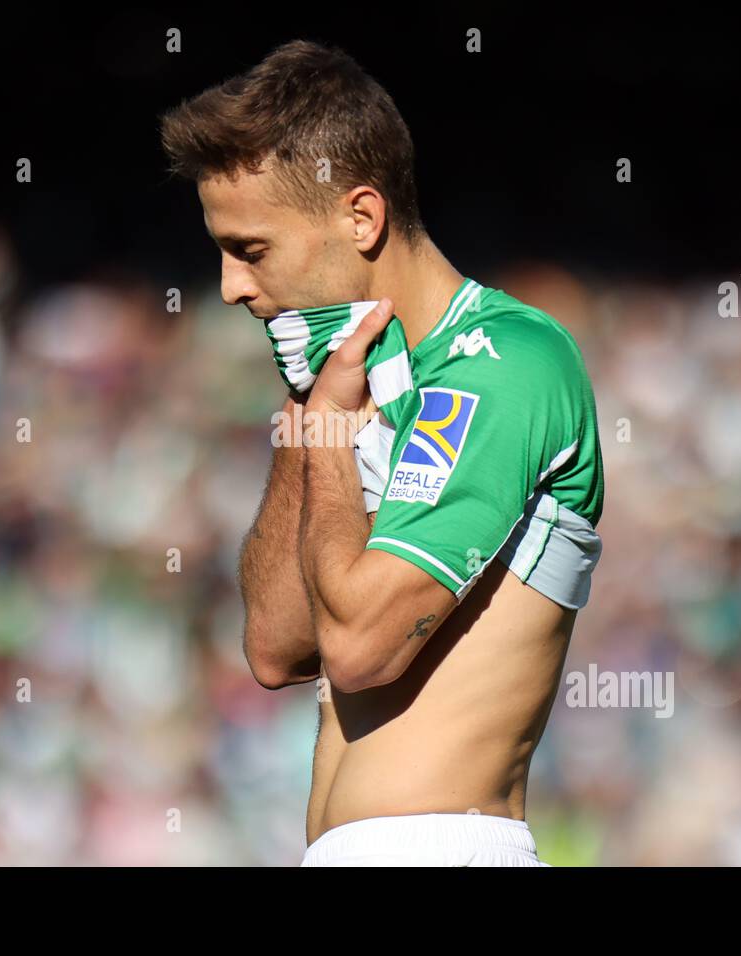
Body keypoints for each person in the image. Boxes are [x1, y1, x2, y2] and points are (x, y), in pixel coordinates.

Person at [160, 39, 604, 866]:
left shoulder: (506, 363)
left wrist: (326, 428)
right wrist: (314, 411)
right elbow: (275, 648)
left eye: (250, 250)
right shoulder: (343, 382)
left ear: (360, 218)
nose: (229, 286)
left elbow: (363, 651)